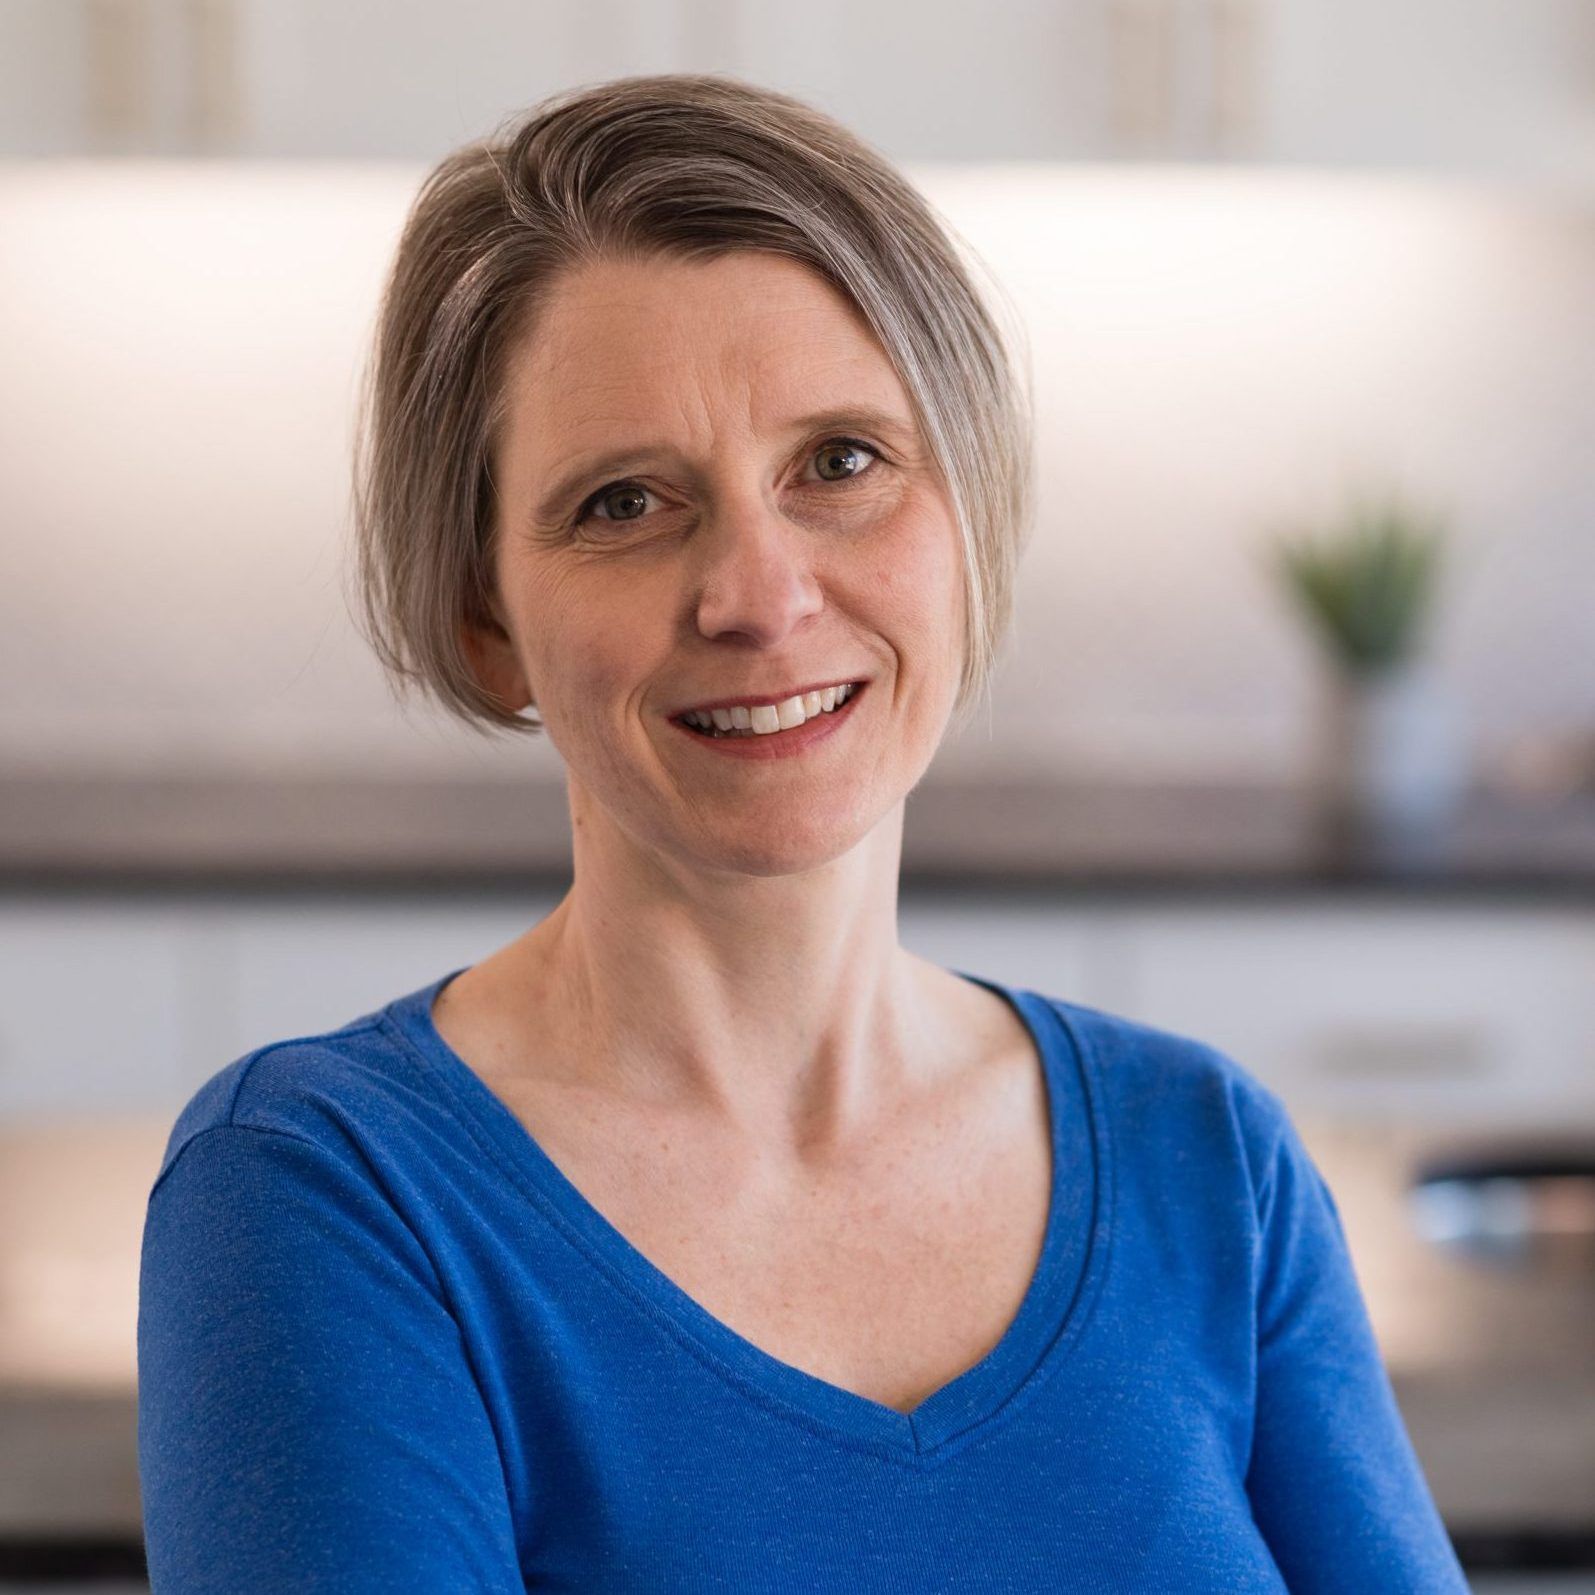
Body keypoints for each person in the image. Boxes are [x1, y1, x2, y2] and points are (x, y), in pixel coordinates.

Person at [136, 73, 1467, 1593]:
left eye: (840, 463)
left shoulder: (1207, 1161)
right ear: (484, 617)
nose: (758, 597)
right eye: (627, 501)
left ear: (963, 515)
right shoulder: (323, 1199)